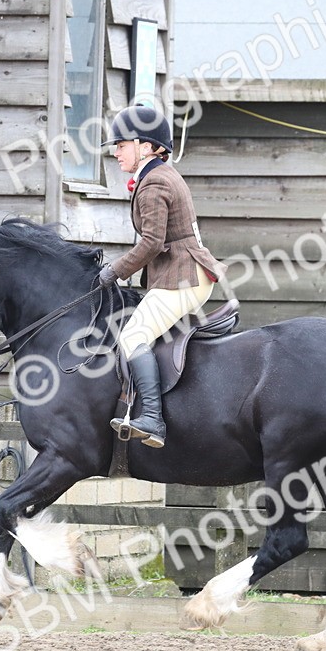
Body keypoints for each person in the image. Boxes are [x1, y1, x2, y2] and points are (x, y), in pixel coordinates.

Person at [97, 105, 225, 449]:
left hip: (182, 276)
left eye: (121, 145)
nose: (116, 152)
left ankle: (153, 419)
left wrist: (114, 271)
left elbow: (152, 242)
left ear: (146, 146)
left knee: (132, 336)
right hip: (184, 273)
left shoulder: (154, 181)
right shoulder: (160, 176)